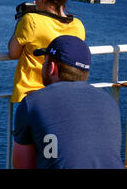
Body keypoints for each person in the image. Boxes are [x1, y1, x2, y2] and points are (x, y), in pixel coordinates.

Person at [12, 35, 124, 169]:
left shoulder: (33, 103)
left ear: (52, 68)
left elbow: (22, 165)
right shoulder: (109, 101)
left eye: (44, 61)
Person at [8, 0, 85, 103]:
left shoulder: (31, 21)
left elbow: (13, 52)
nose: (35, 1)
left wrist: (22, 18)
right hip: (63, 97)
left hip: (30, 97)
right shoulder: (78, 26)